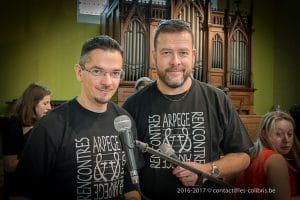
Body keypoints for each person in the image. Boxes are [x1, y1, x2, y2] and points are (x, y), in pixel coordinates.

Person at [122, 19, 253, 199]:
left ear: (193, 55)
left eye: (182, 53)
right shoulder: (133, 105)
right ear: (154, 56)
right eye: (166, 52)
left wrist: (209, 169)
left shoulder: (217, 99)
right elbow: (125, 168)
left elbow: (243, 156)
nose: (175, 61)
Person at [11, 35, 142, 200]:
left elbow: (130, 183)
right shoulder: (51, 125)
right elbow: (21, 192)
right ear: (79, 72)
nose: (107, 82)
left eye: (115, 73)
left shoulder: (124, 120)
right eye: (97, 71)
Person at [235, 111, 300, 200]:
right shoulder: (275, 159)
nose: (286, 140)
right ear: (264, 134)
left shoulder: (247, 153)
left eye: (290, 134)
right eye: (278, 134)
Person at [2, 82, 51, 200]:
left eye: (49, 103)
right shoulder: (13, 126)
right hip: (19, 190)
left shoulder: (40, 124)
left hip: (38, 186)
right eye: (45, 103)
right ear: (32, 104)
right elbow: (9, 166)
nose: (49, 107)